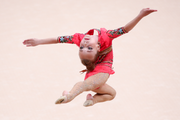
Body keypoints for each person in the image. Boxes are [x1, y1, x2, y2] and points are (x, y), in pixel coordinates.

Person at [23, 8, 157, 107]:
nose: (84, 45)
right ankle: (70, 95)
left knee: (112, 94)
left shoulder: (83, 38)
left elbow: (58, 39)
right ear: (98, 48)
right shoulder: (105, 37)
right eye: (86, 48)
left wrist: (39, 41)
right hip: (100, 71)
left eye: (83, 48)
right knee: (87, 85)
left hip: (95, 76)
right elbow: (125, 29)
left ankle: (92, 99)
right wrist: (140, 16)